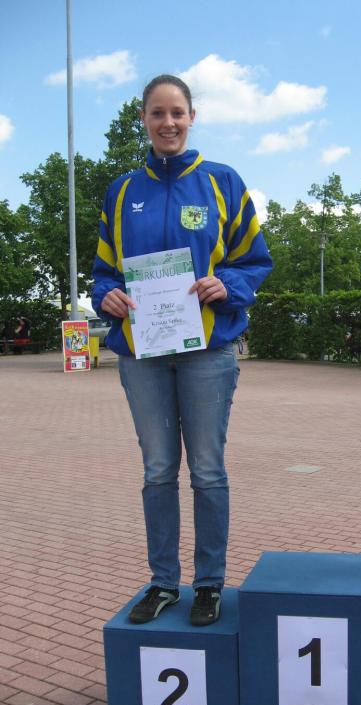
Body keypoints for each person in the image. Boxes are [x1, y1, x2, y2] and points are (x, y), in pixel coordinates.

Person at [92, 74, 272, 625]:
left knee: (208, 470)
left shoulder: (222, 181)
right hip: (142, 352)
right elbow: (104, 271)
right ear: (143, 120)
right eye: (157, 113)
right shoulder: (122, 191)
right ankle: (164, 582)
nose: (167, 122)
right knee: (158, 470)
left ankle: (210, 583)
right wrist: (107, 296)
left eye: (177, 112)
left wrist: (228, 285)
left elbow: (254, 259)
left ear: (193, 116)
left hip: (207, 351)